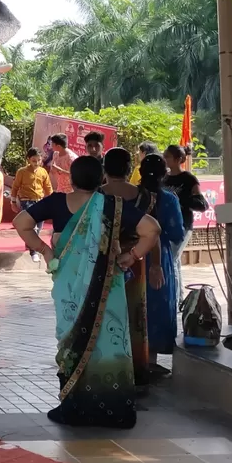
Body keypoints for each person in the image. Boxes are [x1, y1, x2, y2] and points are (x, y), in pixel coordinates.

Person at [13, 154, 161, 429]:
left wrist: (45, 250)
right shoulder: (112, 206)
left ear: (71, 178)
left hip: (69, 291)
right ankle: (113, 410)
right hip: (108, 287)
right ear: (101, 179)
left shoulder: (56, 202)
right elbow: (152, 229)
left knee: (71, 341)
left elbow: (21, 222)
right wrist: (132, 256)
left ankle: (74, 407)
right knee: (109, 341)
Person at [100, 147, 149, 387]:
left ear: (104, 169)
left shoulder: (96, 196)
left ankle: (107, 364)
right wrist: (155, 263)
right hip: (136, 258)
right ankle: (137, 367)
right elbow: (155, 232)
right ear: (129, 168)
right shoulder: (145, 196)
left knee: (105, 311)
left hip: (103, 260)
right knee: (135, 312)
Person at [137, 153, 187, 374]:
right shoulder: (168, 199)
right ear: (164, 174)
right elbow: (177, 233)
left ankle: (135, 358)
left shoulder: (132, 196)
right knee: (157, 303)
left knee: (135, 304)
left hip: (133, 255)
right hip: (158, 259)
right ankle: (151, 361)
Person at [10, 148, 53, 260]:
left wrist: (53, 201)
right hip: (26, 201)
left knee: (39, 227)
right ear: (28, 160)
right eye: (34, 160)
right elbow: (15, 187)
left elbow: (48, 188)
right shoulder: (22, 172)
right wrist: (13, 201)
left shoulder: (43, 172)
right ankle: (33, 252)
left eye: (39, 160)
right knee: (32, 227)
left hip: (39, 200)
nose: (37, 163)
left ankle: (30, 244)